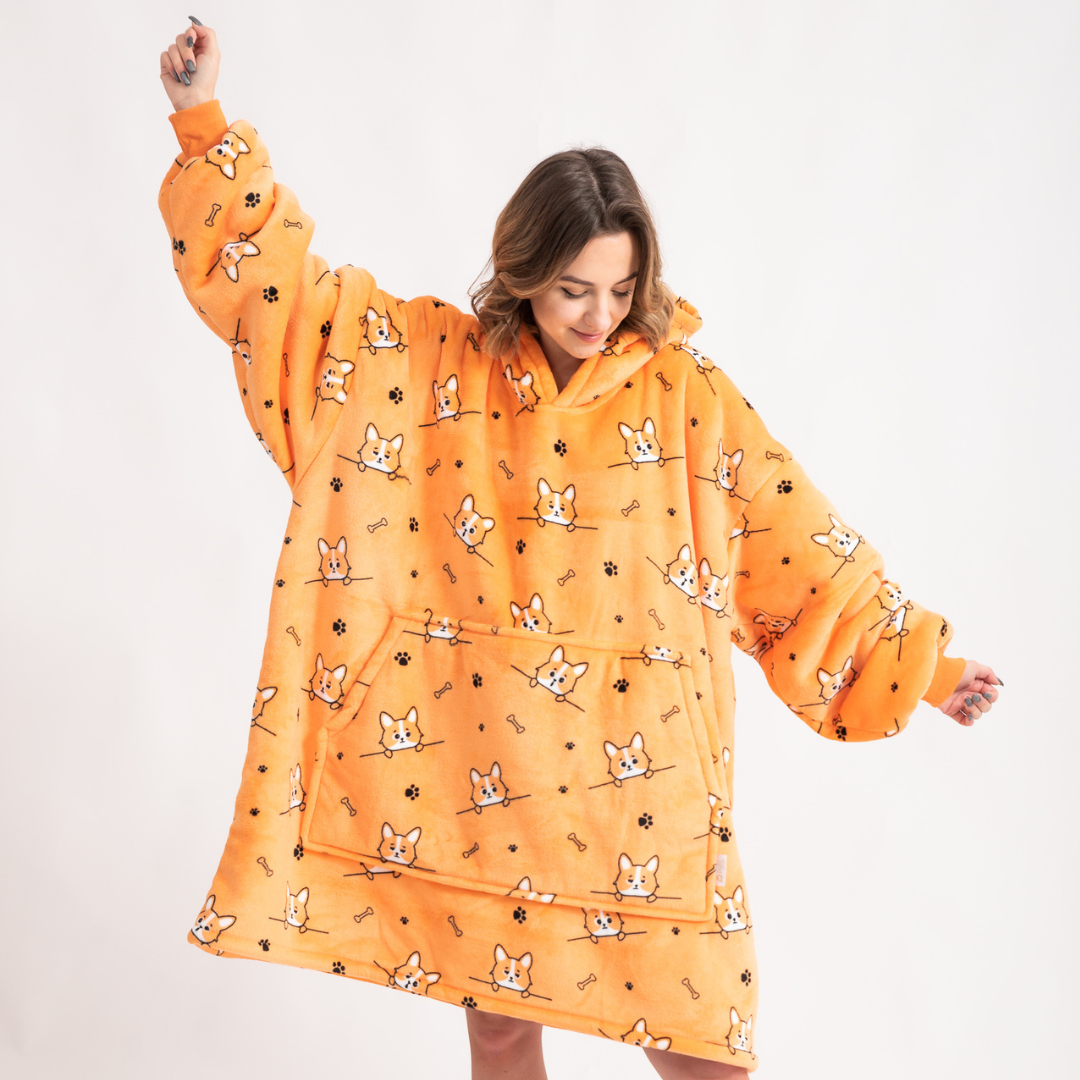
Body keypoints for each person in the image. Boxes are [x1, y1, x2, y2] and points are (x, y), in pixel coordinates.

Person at [159, 17, 1003, 1080]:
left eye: (619, 288)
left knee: (701, 1044)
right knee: (500, 1029)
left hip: (638, 785)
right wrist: (203, 124)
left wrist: (924, 668)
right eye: (573, 288)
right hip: (466, 768)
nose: (600, 315)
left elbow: (793, 535)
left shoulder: (687, 397)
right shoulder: (420, 362)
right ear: (523, 270)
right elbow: (276, 296)